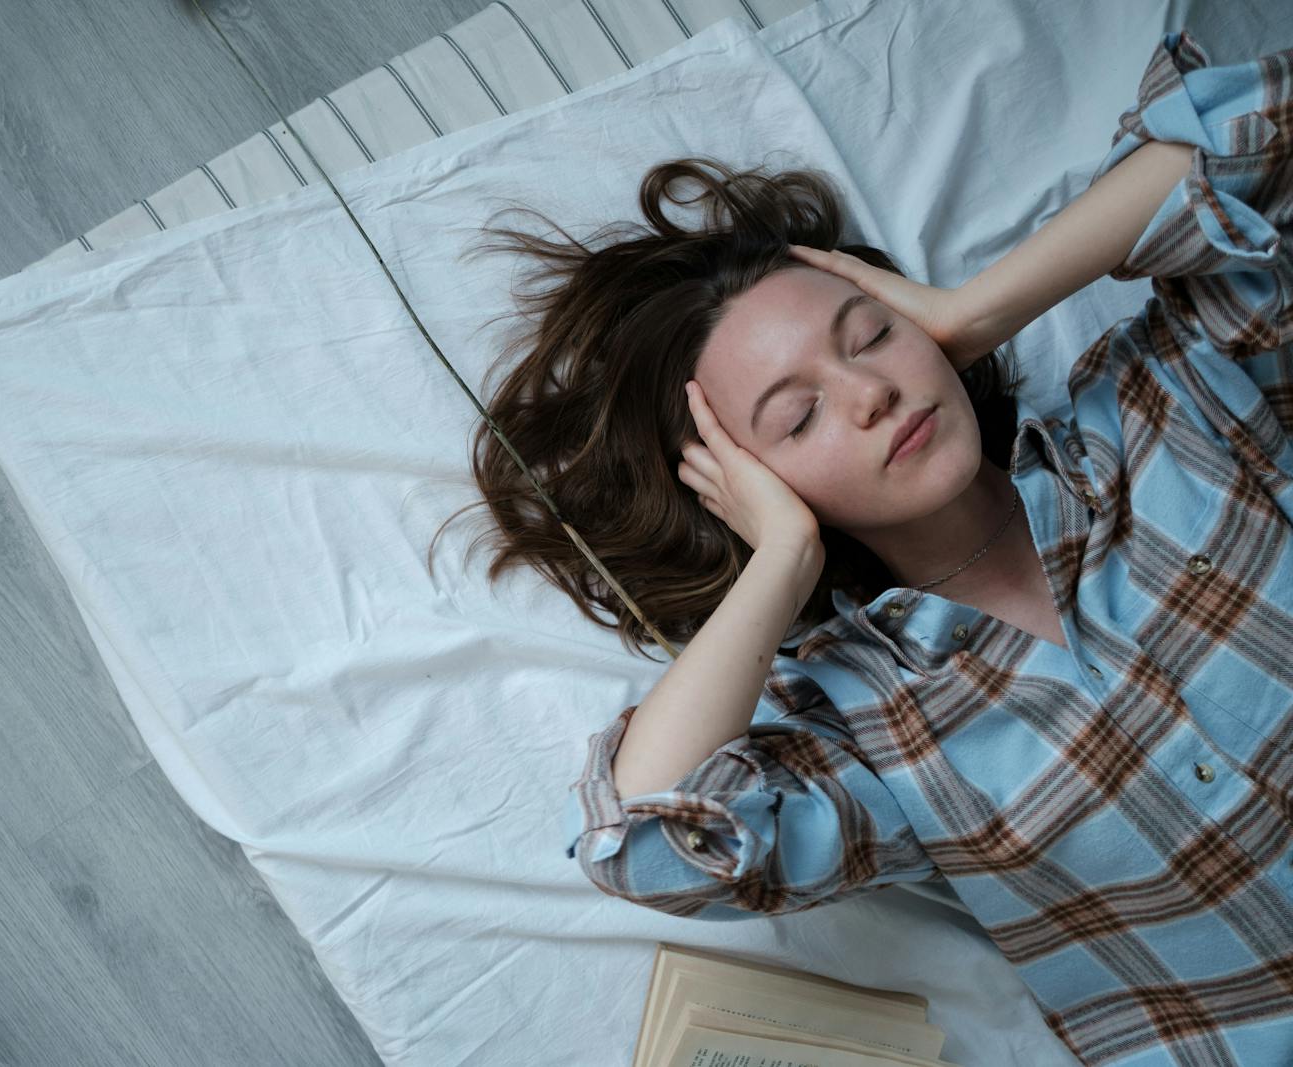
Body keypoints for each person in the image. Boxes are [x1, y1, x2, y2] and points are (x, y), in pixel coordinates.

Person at [444, 30, 1293, 1067]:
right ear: (746, 490)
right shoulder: (857, 736)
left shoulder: (1166, 406)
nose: (872, 392)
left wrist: (977, 308)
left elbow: (1259, 125)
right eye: (798, 418)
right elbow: (649, 847)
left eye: (870, 335)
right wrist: (778, 561)